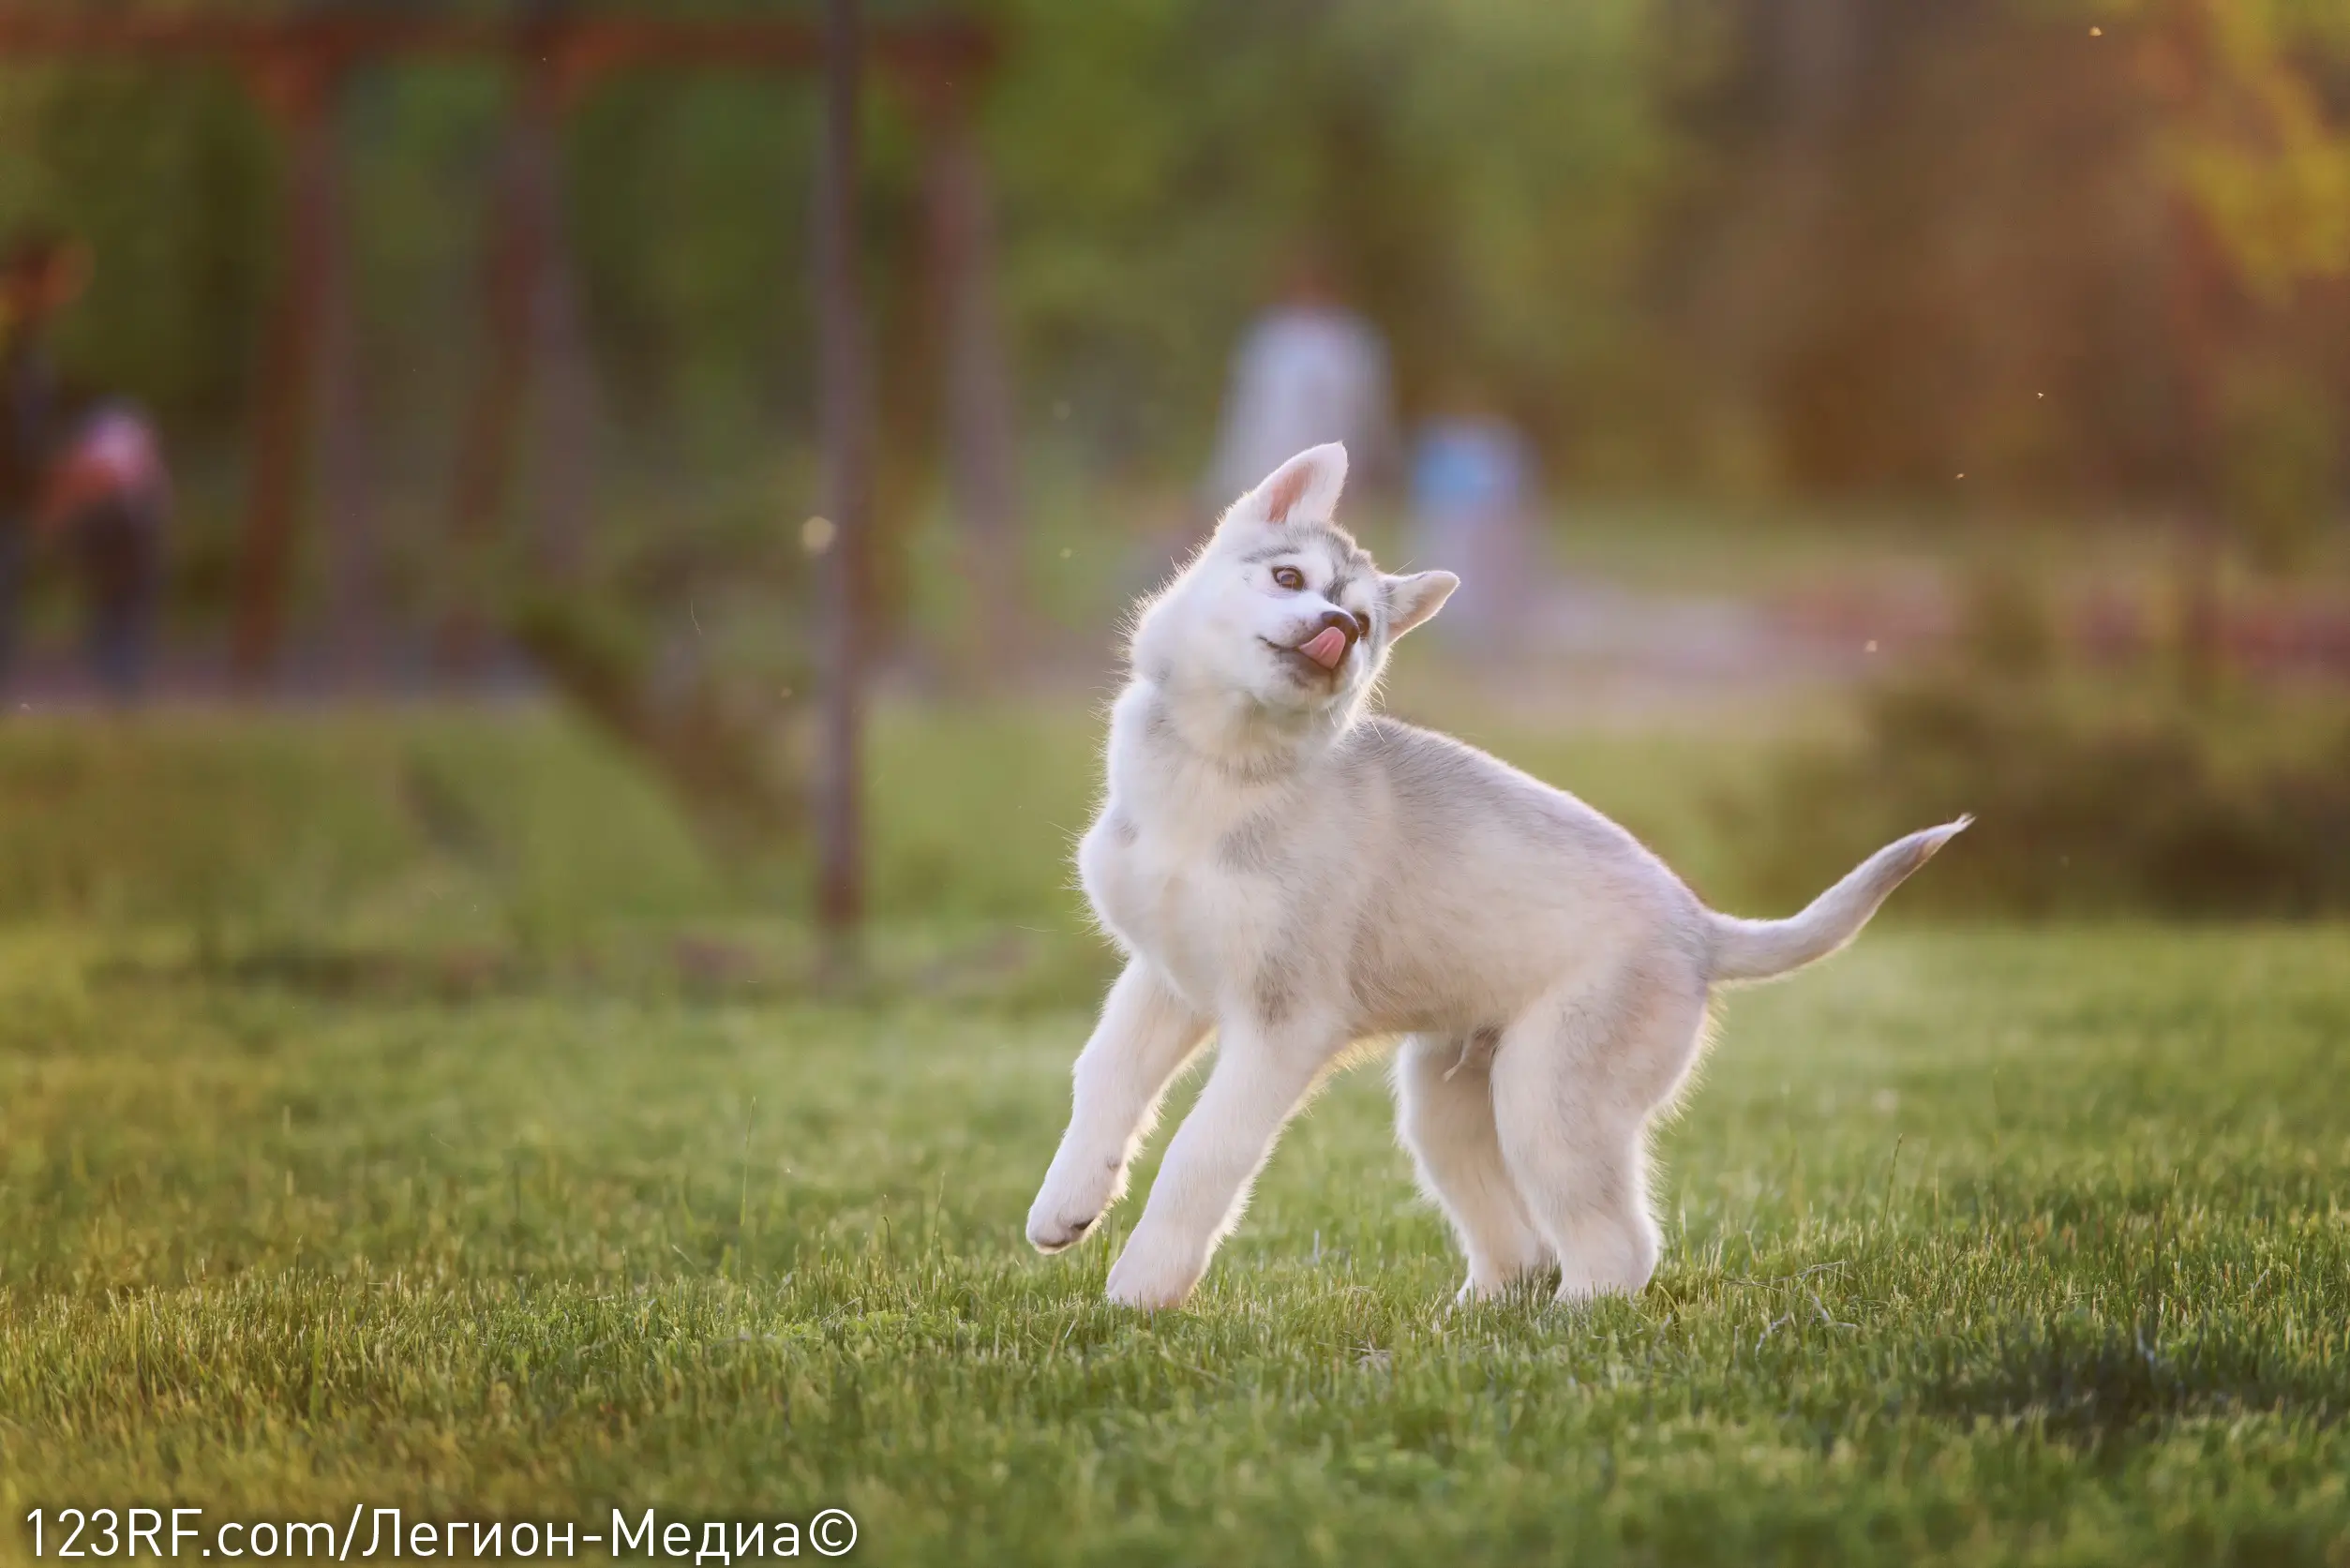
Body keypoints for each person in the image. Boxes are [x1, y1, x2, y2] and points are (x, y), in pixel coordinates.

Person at [0, 230, 170, 700]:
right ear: (34, 276)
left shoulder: (25, 338)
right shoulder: (9, 331)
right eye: (63, 280)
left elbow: (51, 400)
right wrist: (46, 486)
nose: (68, 295)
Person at [1202, 246, 1397, 513]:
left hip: (1328, 461)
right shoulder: (1269, 337)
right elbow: (1245, 413)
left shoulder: (1352, 340)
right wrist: (1225, 474)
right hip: (1268, 459)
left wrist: (1372, 462)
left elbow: (1365, 411)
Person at [1408, 384, 1540, 657]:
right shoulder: (1443, 445)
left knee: (1488, 577)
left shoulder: (1497, 443)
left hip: (1485, 519)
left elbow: (1513, 491)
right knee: (1460, 575)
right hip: (1454, 519)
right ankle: (1462, 632)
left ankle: (1490, 630)